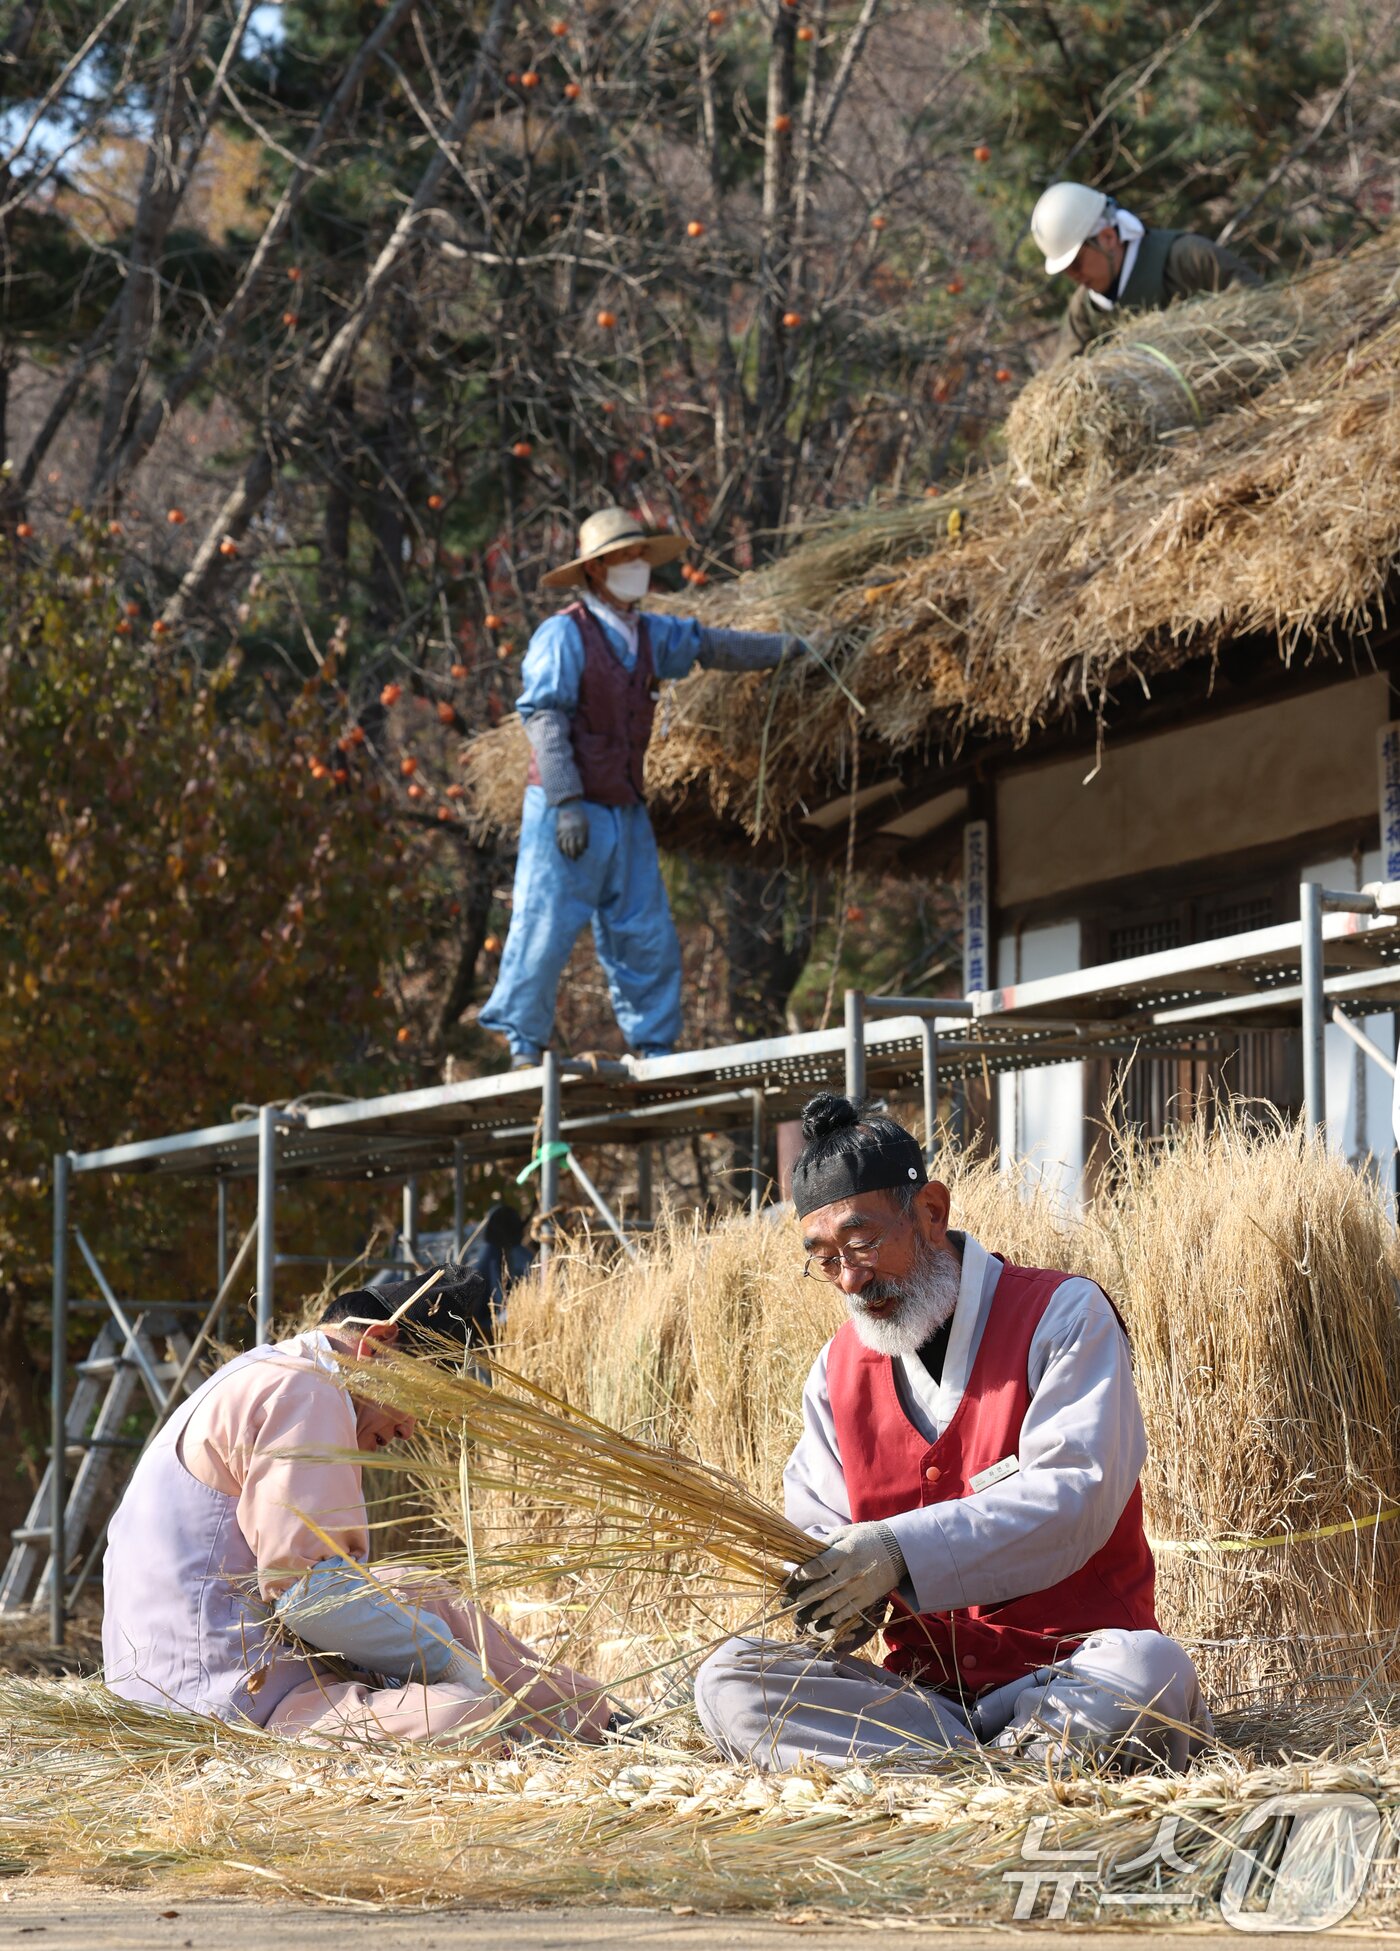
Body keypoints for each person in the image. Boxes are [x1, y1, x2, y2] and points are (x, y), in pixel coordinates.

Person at [694, 1094, 1212, 1773]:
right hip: (923, 1706)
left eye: (863, 1242)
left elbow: (1073, 1498)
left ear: (932, 1213)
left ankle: (953, 1773)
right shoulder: (836, 1373)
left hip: (1070, 1678)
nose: (852, 1279)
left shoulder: (1061, 1316)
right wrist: (833, 1599)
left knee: (1152, 1669)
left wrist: (896, 1551)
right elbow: (818, 1526)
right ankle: (982, 1775)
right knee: (730, 1678)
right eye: (825, 1258)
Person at [102, 1274, 613, 1745]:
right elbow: (307, 1594)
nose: (409, 1428)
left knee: (425, 1593)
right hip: (217, 1704)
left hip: (207, 1673)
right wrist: (449, 1662)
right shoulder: (309, 1387)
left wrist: (435, 1641)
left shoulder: (273, 1368)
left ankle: (594, 1715)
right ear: (378, 1344)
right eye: (421, 1393)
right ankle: (572, 1723)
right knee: (467, 1715)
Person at [479, 506, 799, 1068]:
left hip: (625, 808)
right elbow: (545, 718)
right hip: (568, 807)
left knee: (645, 929)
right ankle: (524, 1044)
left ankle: (653, 1043)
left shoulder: (651, 635)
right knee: (545, 921)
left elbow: (712, 646)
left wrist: (785, 650)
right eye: (625, 558)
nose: (637, 567)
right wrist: (566, 800)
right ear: (597, 570)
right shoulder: (564, 634)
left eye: (640, 557)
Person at [1031, 181, 1259, 363]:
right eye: (1065, 270)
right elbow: (1063, 378)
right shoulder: (1083, 312)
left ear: (1108, 238)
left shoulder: (1188, 258)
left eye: (1077, 263)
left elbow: (1260, 308)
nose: (1074, 276)